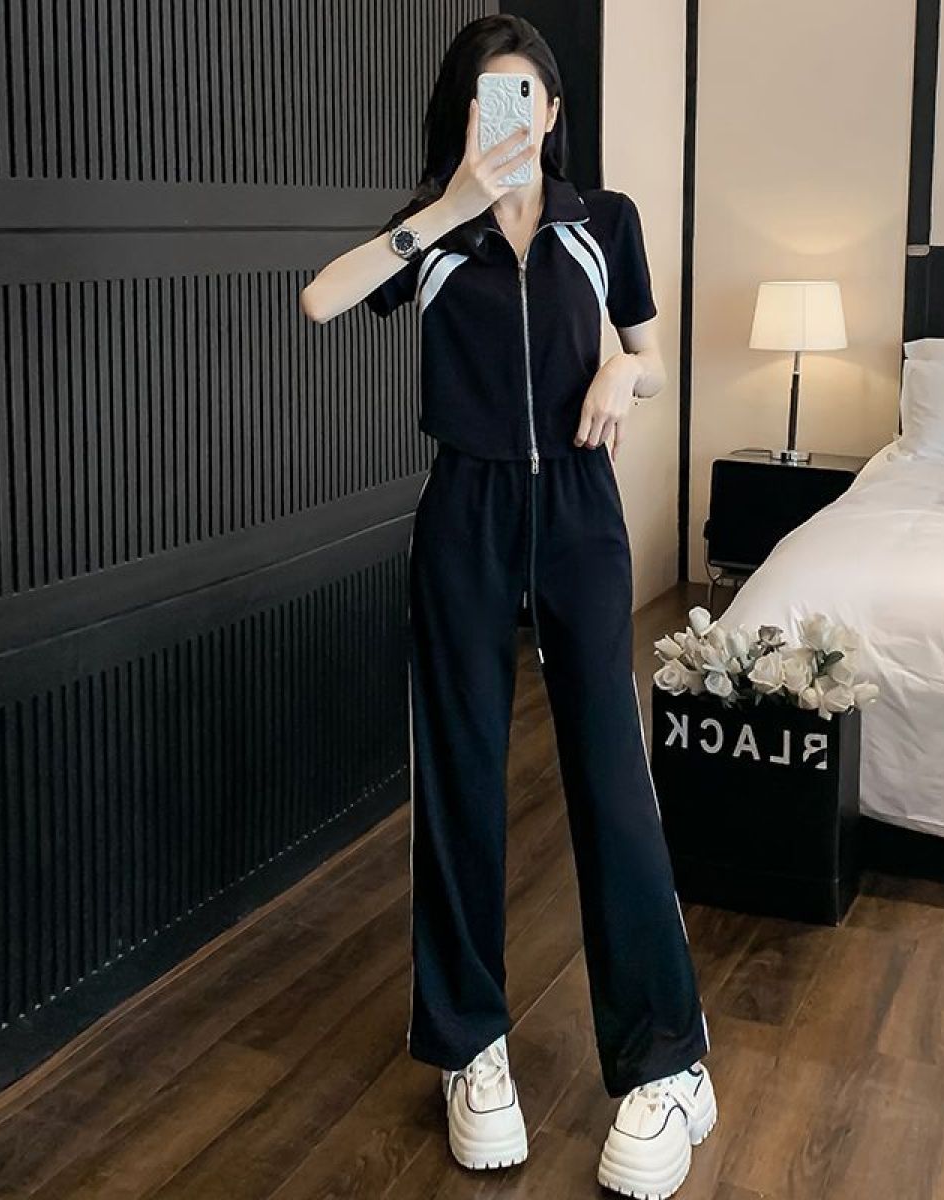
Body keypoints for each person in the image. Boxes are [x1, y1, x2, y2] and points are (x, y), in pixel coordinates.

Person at [300, 14, 715, 1198]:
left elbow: (651, 354)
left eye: (529, 94)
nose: (514, 114)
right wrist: (444, 208)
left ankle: (669, 1060)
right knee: (461, 775)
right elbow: (321, 302)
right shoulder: (436, 237)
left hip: (580, 510)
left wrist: (624, 370)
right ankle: (469, 1045)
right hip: (466, 512)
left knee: (611, 773)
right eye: (492, 96)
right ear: (465, 113)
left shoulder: (603, 222)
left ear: (555, 110)